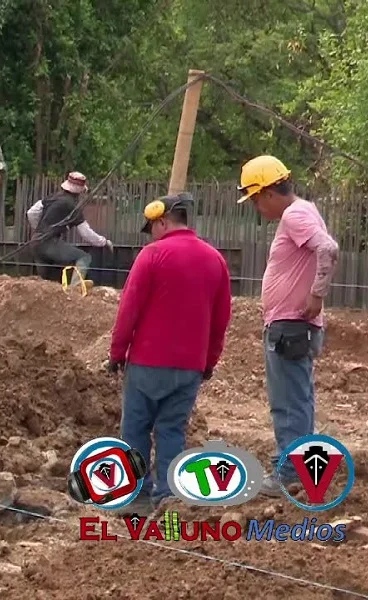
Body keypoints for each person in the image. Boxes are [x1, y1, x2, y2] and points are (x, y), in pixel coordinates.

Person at [108, 192, 232, 515]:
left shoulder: (152, 256)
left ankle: (135, 497)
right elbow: (221, 319)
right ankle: (168, 498)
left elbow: (129, 309)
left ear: (162, 221)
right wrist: (209, 361)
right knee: (171, 430)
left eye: (151, 227)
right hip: (189, 367)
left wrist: (117, 353)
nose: (150, 234)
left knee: (135, 428)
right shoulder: (215, 260)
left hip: (147, 363)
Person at [237, 155, 339, 497]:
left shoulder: (295, 214)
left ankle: (291, 474)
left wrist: (317, 295)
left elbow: (327, 248)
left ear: (267, 192)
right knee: (299, 398)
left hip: (291, 326)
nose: (255, 206)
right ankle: (304, 469)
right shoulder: (304, 210)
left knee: (287, 402)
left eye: (254, 198)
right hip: (294, 326)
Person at [32, 171, 113, 284]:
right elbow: (86, 233)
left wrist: (39, 230)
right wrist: (104, 242)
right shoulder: (73, 206)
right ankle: (74, 289)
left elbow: (32, 212)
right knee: (84, 258)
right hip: (49, 243)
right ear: (79, 192)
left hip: (36, 242)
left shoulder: (53, 197)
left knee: (46, 283)